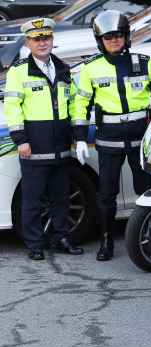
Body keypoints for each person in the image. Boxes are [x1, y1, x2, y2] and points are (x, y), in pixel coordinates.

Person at [73, 10, 151, 261]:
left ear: (127, 36)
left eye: (118, 35)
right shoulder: (90, 68)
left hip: (140, 139)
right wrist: (80, 137)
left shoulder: (144, 63)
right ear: (100, 40)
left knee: (146, 189)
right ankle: (106, 242)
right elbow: (80, 105)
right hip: (109, 140)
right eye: (108, 36)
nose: (114, 40)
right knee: (106, 193)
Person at [5, 17, 84, 260]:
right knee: (32, 199)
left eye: (46, 38)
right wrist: (21, 140)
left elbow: (73, 106)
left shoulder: (63, 69)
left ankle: (60, 238)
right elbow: (12, 107)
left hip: (60, 148)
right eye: (37, 39)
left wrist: (78, 138)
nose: (42, 43)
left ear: (52, 39)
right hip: (34, 148)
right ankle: (35, 244)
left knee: (61, 197)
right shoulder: (18, 71)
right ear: (28, 43)